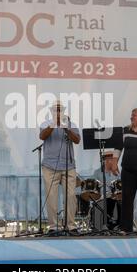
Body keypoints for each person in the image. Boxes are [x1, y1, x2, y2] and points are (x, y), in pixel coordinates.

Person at [39, 100, 81, 234]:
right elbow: (42, 136)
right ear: (51, 111)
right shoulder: (45, 124)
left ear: (63, 111)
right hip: (50, 166)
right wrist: (54, 124)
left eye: (60, 110)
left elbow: (77, 140)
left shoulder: (71, 125)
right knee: (51, 197)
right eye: (55, 110)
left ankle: (71, 226)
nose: (58, 112)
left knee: (71, 196)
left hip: (69, 165)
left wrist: (65, 128)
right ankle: (53, 227)